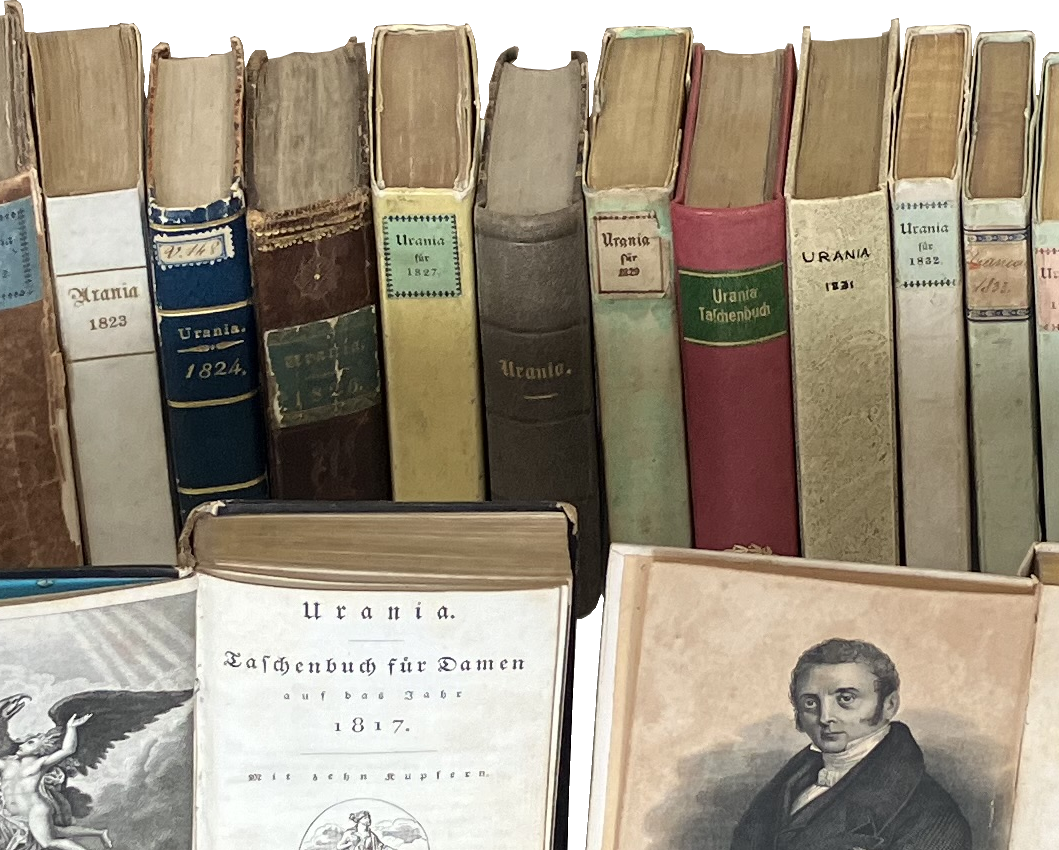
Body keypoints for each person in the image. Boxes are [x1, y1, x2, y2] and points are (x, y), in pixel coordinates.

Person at [730, 638, 971, 850]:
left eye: (845, 699)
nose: (825, 717)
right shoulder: (786, 786)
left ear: (889, 705)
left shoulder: (932, 816)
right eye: (810, 703)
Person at [0, 713, 112, 850]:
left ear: (40, 750)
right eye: (24, 742)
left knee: (47, 842)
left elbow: (68, 749)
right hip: (14, 814)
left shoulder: (40, 763)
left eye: (30, 743)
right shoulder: (7, 763)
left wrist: (71, 728)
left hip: (35, 810)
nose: (22, 744)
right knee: (56, 831)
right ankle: (99, 833)